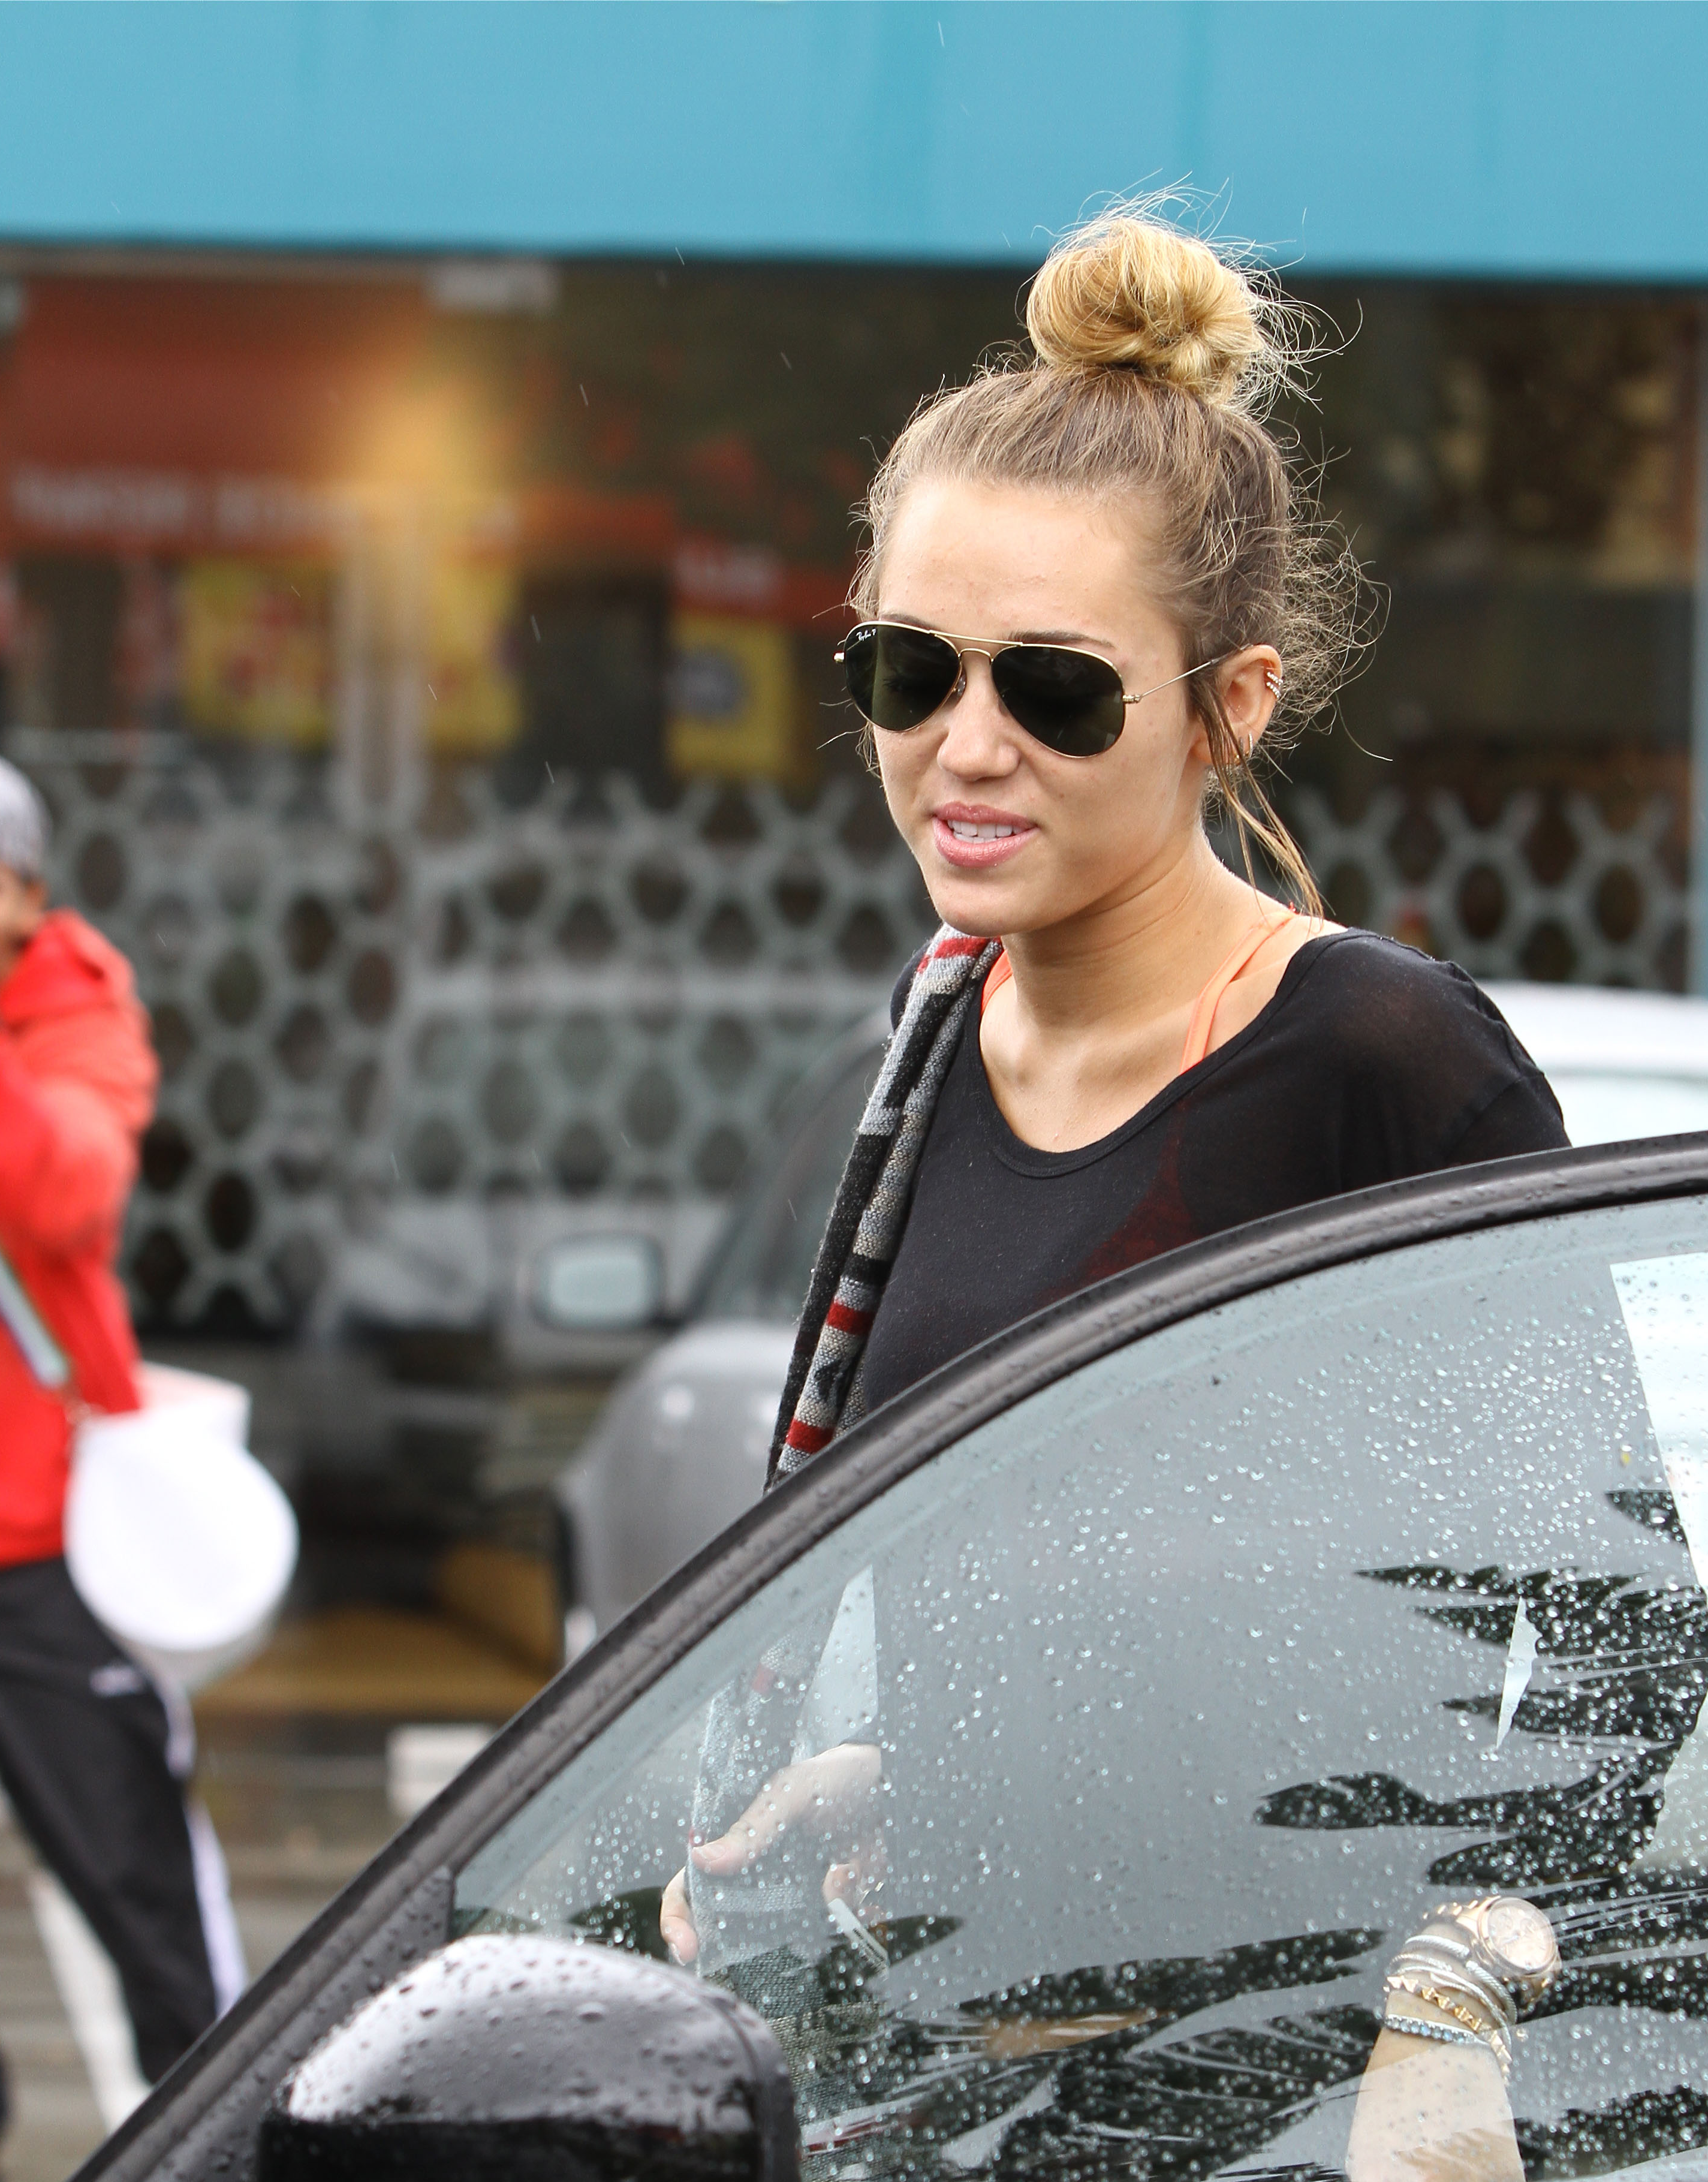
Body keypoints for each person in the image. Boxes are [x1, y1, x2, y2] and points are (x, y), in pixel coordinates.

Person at [661, 209, 1569, 1970]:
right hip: (970, 2045)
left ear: (1232, 705)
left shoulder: (1381, 1062)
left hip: (1275, 2070)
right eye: (909, 671)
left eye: (1056, 690)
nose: (965, 746)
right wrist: (913, 1780)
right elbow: (1103, 1653)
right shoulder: (934, 1035)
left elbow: (1619, 1652)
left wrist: (1449, 1999)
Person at [0, 748, 238, 2182]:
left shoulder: (73, 1006)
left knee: (137, 1890)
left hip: (44, 1542)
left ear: (31, 897)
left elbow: (66, 1197)